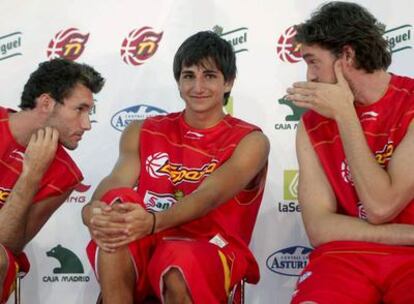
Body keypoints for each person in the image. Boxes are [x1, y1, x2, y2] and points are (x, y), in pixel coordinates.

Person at [82, 31, 269, 304]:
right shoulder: (143, 130)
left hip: (210, 246)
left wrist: (154, 222)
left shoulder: (251, 140)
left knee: (180, 261)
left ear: (228, 82)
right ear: (179, 82)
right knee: (114, 209)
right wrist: (92, 213)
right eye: (189, 76)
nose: (198, 86)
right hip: (148, 236)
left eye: (210, 76)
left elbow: (209, 197)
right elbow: (115, 183)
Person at [286, 2, 414, 303]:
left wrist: (345, 114)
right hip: (345, 254)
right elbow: (319, 227)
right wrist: (408, 235)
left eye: (313, 61)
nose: (309, 75)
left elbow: (382, 205)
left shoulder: (410, 102)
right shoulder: (311, 124)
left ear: (347, 56)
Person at [0, 58, 104, 303]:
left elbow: (9, 245)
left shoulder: (65, 174)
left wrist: (31, 174)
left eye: (90, 112)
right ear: (46, 103)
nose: (87, 124)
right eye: (80, 109)